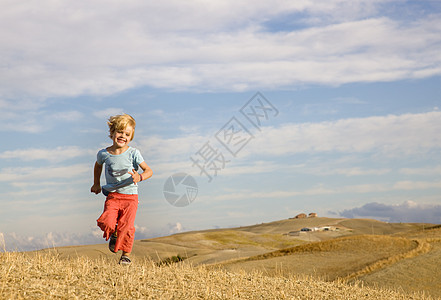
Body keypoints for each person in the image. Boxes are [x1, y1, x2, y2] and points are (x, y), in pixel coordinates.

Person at [90, 113, 153, 265]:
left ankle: (125, 255)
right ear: (112, 133)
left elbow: (149, 171)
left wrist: (140, 177)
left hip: (130, 197)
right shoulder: (104, 154)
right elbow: (98, 166)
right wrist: (96, 183)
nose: (123, 136)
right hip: (112, 195)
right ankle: (114, 233)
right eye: (119, 132)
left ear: (131, 137)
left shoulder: (134, 153)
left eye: (127, 134)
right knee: (107, 222)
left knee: (127, 227)